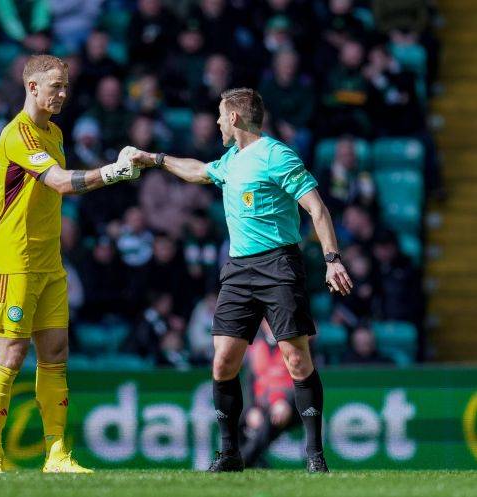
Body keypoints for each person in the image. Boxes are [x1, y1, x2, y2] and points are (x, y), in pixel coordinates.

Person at [132, 88, 353, 473]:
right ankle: (230, 453)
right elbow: (199, 171)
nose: (217, 122)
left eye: (220, 115)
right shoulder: (232, 159)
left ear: (234, 118)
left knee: (296, 357)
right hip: (238, 269)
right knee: (223, 362)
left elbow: (317, 207)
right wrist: (155, 159)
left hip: (279, 264)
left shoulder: (277, 155)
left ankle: (315, 455)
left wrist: (333, 259)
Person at [0, 54, 140, 474]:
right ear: (32, 88)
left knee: (56, 354)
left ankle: (57, 454)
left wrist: (1, 226)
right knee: (11, 354)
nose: (62, 93)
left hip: (49, 261)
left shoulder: (55, 133)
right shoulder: (18, 134)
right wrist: (113, 171)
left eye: (65, 86)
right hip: (17, 263)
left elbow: (22, 196)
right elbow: (59, 183)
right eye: (55, 86)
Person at [240, 320, 301, 468]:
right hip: (261, 404)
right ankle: (256, 462)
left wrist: (286, 402)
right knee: (232, 418)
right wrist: (251, 410)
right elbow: (249, 382)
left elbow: (304, 382)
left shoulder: (296, 345)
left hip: (290, 406)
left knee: (269, 421)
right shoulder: (255, 346)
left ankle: (242, 461)